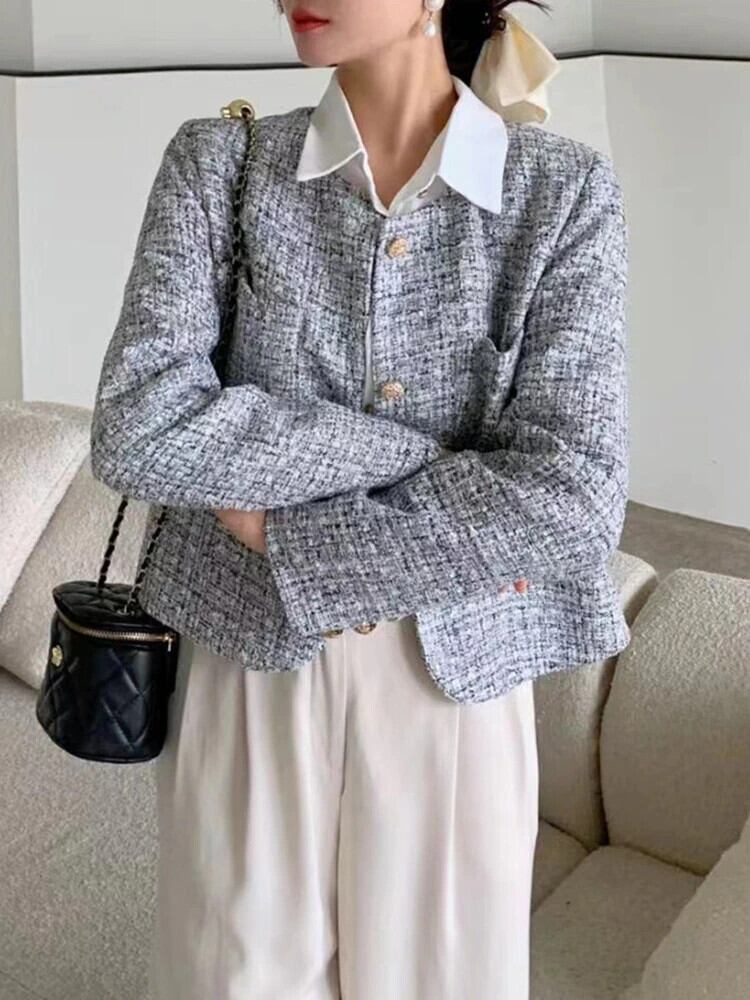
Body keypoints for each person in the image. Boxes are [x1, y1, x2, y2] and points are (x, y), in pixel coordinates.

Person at [89, 1, 630, 997]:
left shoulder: (559, 193)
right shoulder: (221, 164)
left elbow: (574, 497)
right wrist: (432, 458)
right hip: (249, 667)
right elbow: (139, 424)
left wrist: (287, 529)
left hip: (455, 682)